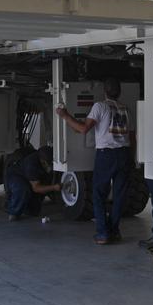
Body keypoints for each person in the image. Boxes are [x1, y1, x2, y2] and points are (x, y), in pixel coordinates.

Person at [56, 77, 132, 244]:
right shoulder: (125, 109)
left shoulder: (100, 106)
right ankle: (114, 231)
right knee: (119, 196)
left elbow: (83, 129)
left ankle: (103, 233)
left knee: (98, 195)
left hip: (107, 155)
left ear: (104, 91)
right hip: (124, 154)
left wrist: (65, 115)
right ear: (119, 92)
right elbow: (130, 134)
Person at [3, 144, 60, 220]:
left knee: (33, 211)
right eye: (48, 163)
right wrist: (54, 187)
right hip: (16, 175)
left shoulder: (43, 160)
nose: (50, 166)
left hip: (30, 178)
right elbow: (36, 188)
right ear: (42, 161)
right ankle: (13, 211)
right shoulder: (31, 165)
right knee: (22, 189)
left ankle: (22, 205)